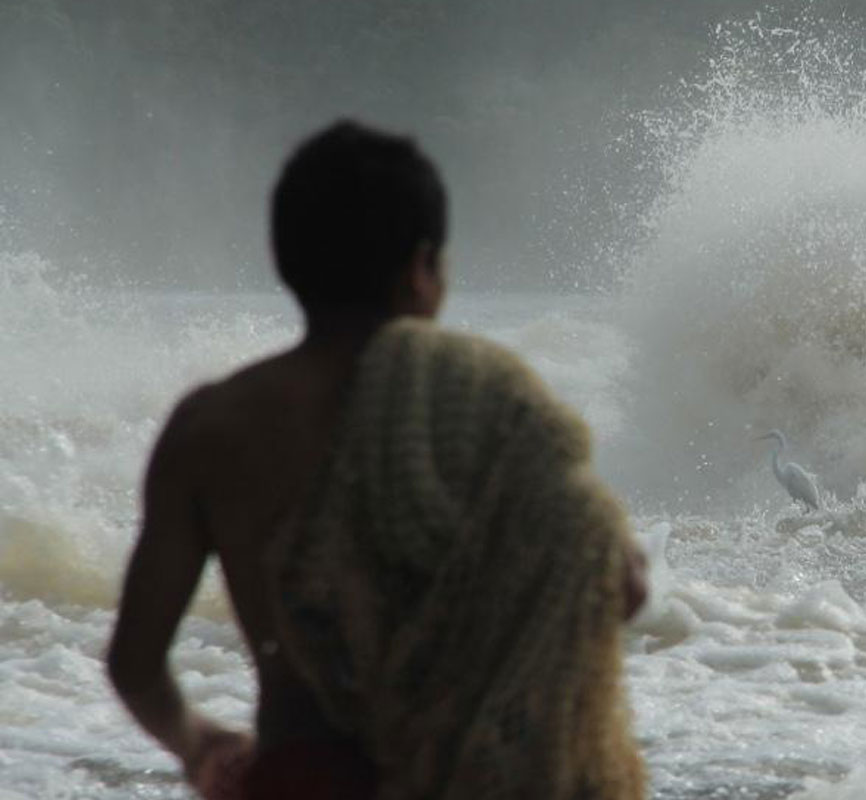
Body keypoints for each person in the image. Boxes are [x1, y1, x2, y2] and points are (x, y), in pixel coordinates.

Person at [106, 120, 648, 800]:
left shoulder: (211, 426)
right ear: (422, 269)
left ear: (284, 257)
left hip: (300, 779)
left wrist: (199, 743)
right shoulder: (490, 396)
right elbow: (621, 586)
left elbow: (136, 666)